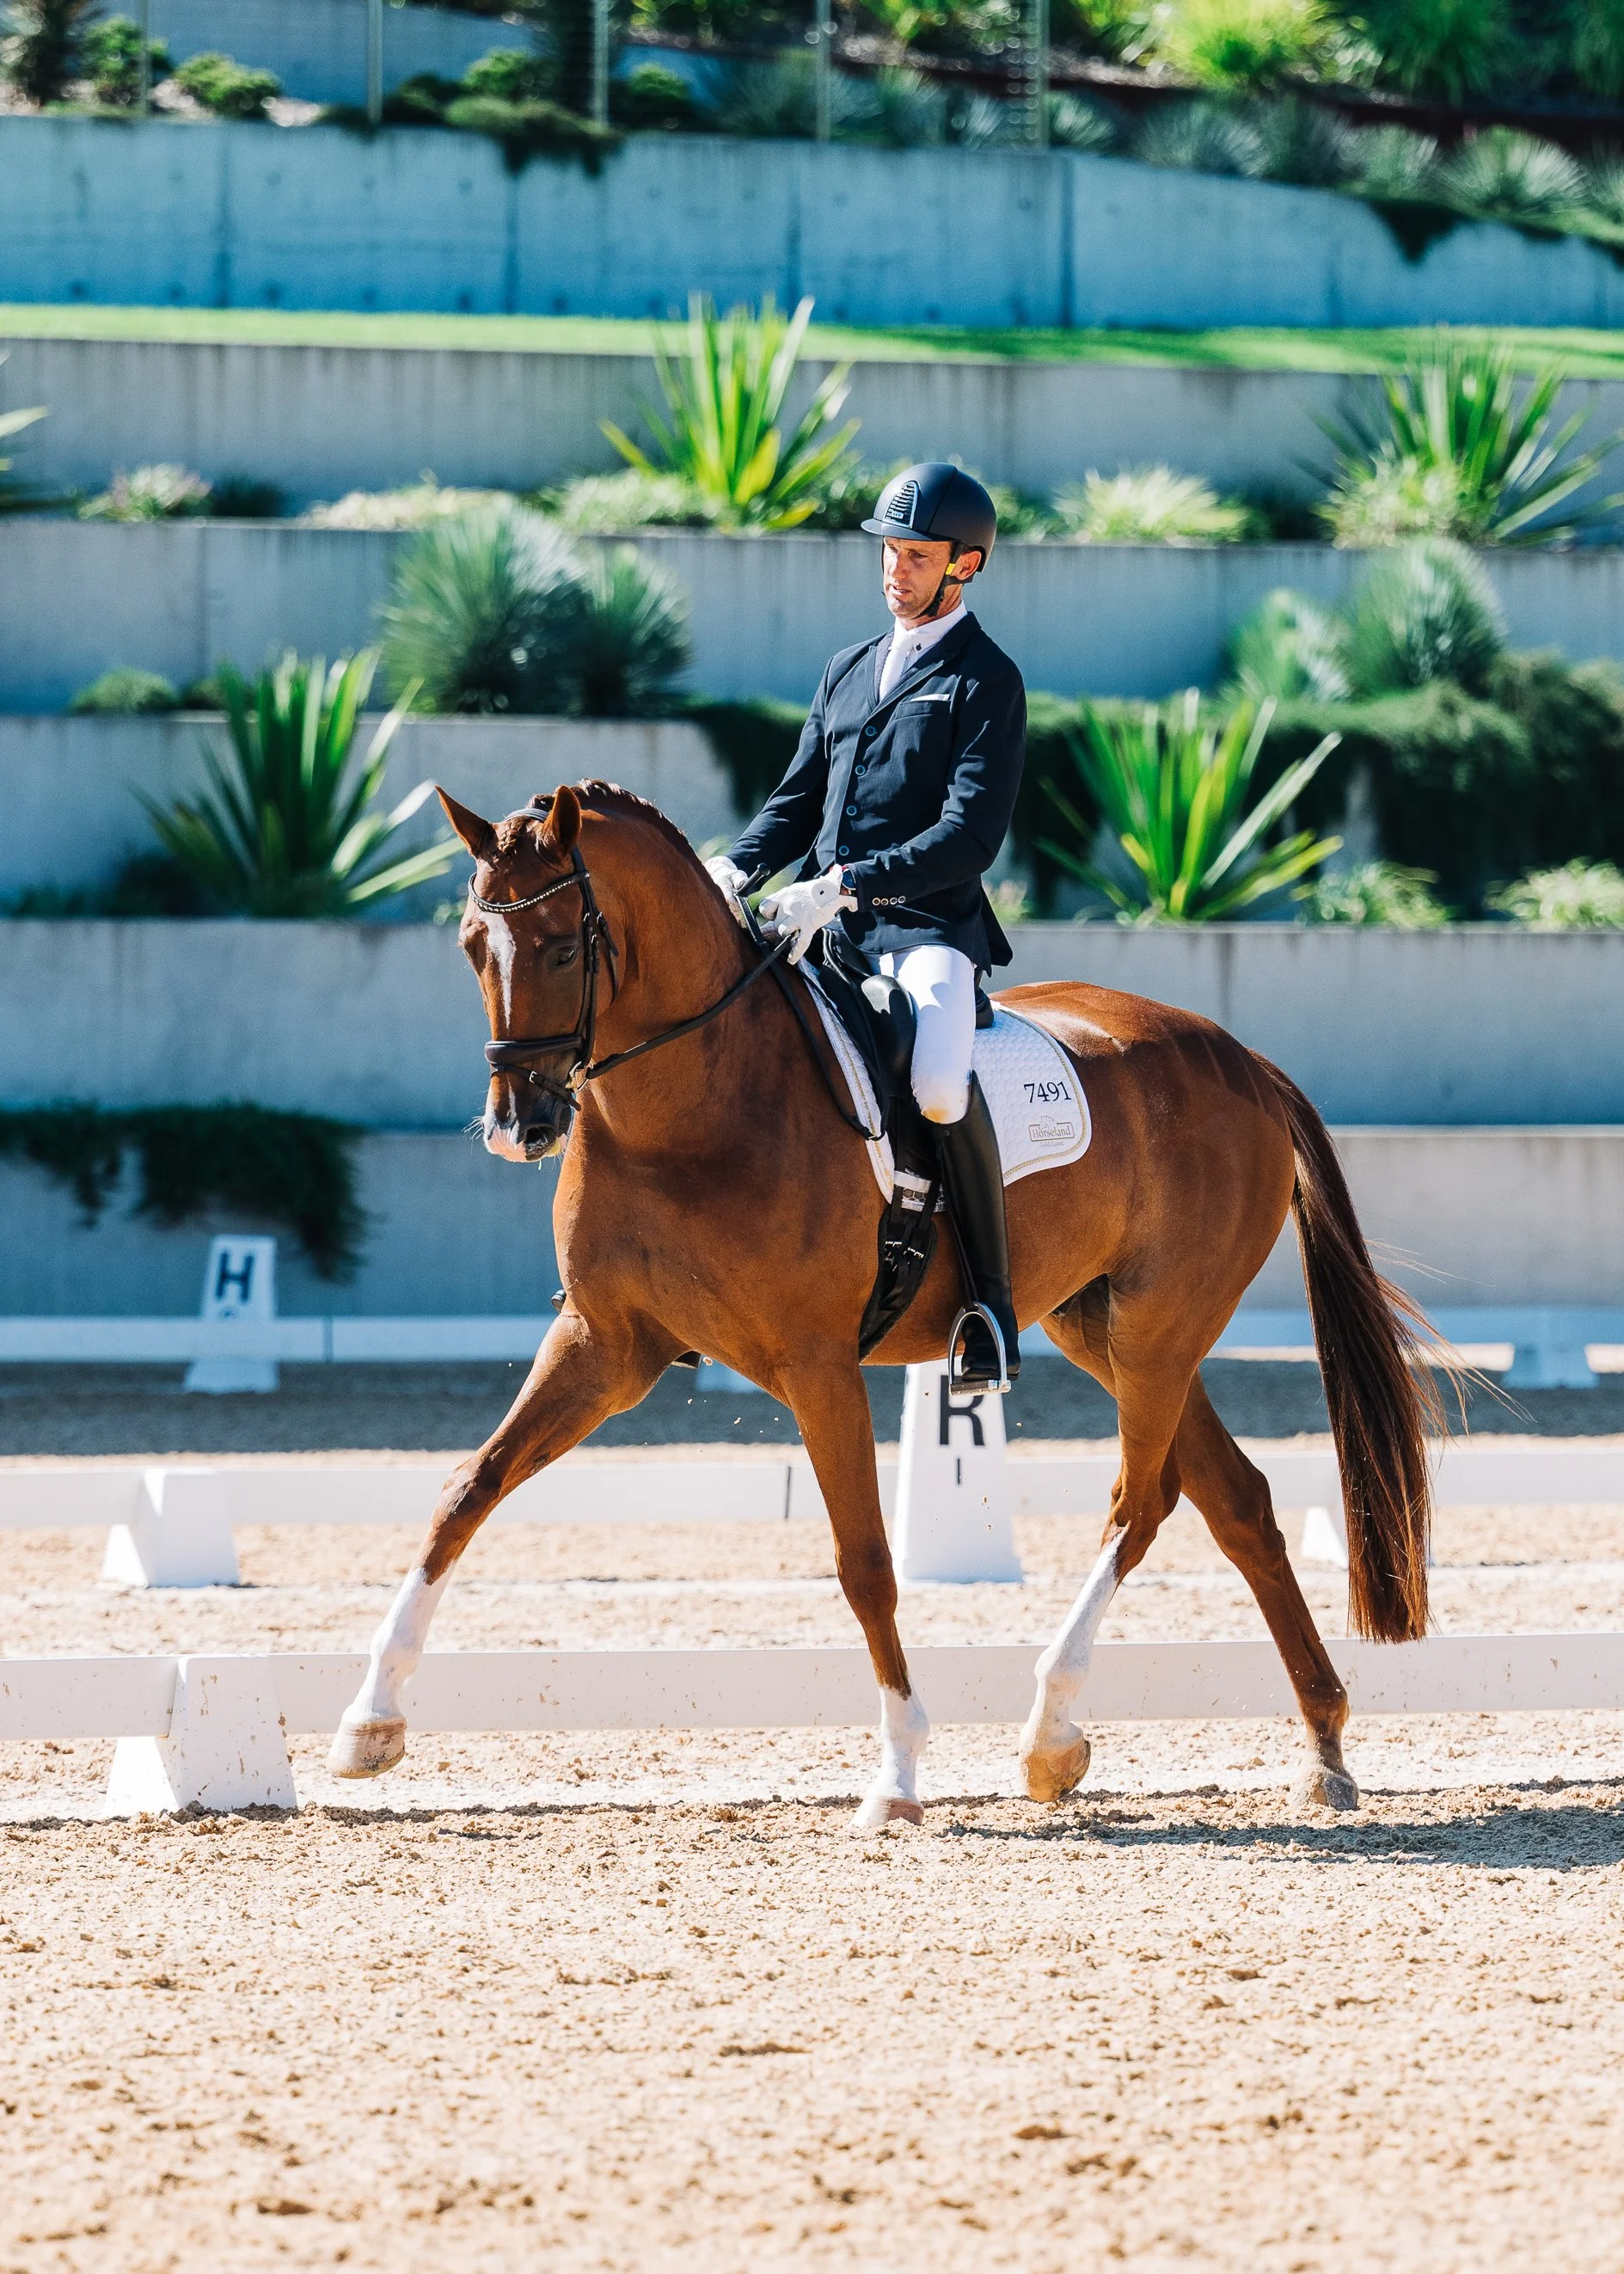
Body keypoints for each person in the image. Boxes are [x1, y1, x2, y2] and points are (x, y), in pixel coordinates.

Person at [705, 462, 1026, 1392]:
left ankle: (986, 1309)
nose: (894, 569)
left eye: (915, 555)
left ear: (963, 565)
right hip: (820, 924)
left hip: (923, 928)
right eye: (888, 551)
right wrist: (735, 866)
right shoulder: (845, 668)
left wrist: (845, 883)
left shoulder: (983, 681)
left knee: (933, 1081)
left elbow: (966, 837)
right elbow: (796, 797)